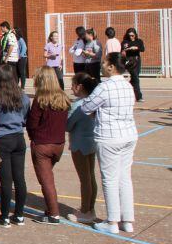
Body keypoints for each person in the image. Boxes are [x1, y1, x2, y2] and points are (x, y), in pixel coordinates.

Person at [79, 56, 137, 234]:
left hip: (110, 137)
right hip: (129, 135)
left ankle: (112, 221)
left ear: (111, 67)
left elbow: (86, 106)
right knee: (124, 177)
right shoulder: (128, 85)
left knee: (110, 179)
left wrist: (97, 114)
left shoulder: (105, 86)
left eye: (105, 63)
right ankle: (127, 220)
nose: (102, 66)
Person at [26, 66, 70, 224]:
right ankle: (50, 208)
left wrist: (33, 137)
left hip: (42, 143)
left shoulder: (40, 99)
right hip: (59, 143)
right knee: (47, 177)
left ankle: (53, 214)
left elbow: (32, 123)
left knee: (46, 180)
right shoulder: (63, 97)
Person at [0, 64, 30, 226]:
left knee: (6, 180)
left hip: (2, 140)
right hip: (18, 138)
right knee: (19, 177)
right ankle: (19, 214)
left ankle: (4, 215)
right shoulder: (23, 96)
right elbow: (26, 115)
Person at [65, 72, 99, 223]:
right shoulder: (93, 101)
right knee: (90, 176)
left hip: (79, 144)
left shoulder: (78, 105)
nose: (71, 88)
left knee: (84, 178)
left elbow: (68, 125)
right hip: (91, 142)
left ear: (79, 86)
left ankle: (85, 210)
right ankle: (90, 207)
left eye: (72, 84)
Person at [121, 28, 145, 101]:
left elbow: (142, 49)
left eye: (132, 35)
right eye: (130, 36)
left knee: (135, 77)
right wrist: (127, 49)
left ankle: (126, 88)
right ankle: (139, 96)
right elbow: (122, 50)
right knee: (136, 78)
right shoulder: (125, 42)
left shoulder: (139, 41)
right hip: (129, 60)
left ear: (135, 35)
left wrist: (136, 48)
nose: (131, 37)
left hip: (137, 60)